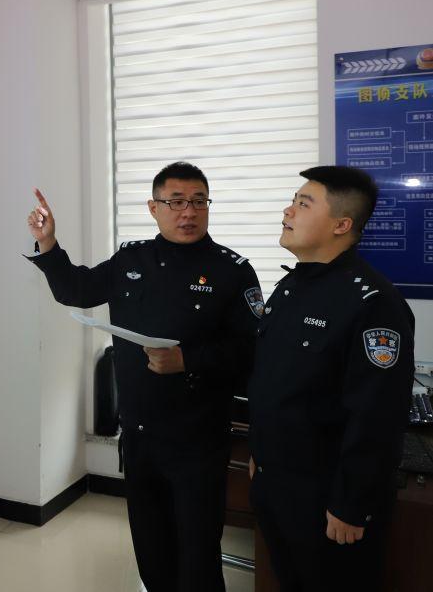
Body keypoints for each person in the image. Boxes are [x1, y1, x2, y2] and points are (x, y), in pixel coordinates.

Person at [26, 161, 261, 592]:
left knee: (197, 559)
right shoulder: (131, 259)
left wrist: (187, 359)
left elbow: (252, 351)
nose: (188, 212)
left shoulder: (232, 270)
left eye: (199, 202)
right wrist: (49, 243)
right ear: (154, 208)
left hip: (198, 441)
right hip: (138, 436)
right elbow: (77, 289)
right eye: (176, 202)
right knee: (152, 553)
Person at [247, 165, 415, 591]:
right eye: (293, 201)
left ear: (341, 224)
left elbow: (378, 416)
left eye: (304, 204)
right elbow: (274, 383)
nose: (288, 211)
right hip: (275, 483)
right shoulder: (290, 287)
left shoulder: (373, 303)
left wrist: (352, 504)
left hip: (326, 500)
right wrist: (260, 456)